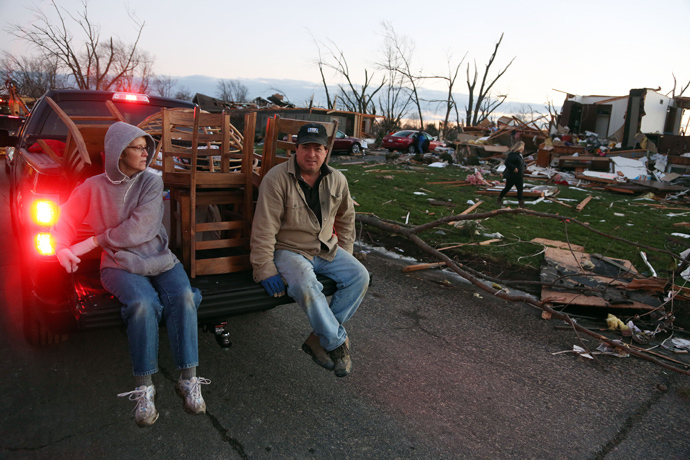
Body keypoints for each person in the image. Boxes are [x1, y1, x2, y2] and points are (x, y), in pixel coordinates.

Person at [51, 122, 208, 427]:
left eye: (146, 147)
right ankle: (145, 388)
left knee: (185, 296)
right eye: (138, 147)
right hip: (119, 263)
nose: (146, 152)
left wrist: (92, 241)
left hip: (160, 258)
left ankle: (188, 379)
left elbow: (142, 228)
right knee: (143, 304)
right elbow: (64, 218)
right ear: (118, 152)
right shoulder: (93, 187)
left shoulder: (151, 181)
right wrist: (61, 247)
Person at [250, 122, 369, 377]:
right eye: (306, 147)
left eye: (318, 148)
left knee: (360, 276)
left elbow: (346, 219)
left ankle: (318, 338)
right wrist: (264, 267)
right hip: (290, 249)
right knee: (306, 285)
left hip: (325, 248)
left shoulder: (337, 180)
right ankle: (337, 344)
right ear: (296, 149)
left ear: (326, 151)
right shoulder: (277, 178)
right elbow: (264, 227)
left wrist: (345, 251)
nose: (311, 154)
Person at [497, 141, 526, 208]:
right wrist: (514, 168)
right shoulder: (513, 155)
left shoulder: (519, 155)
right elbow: (507, 162)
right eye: (523, 147)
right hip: (513, 176)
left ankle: (521, 204)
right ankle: (499, 199)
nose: (523, 148)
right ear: (520, 147)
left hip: (519, 176)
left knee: (520, 189)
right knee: (507, 188)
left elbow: (519, 163)